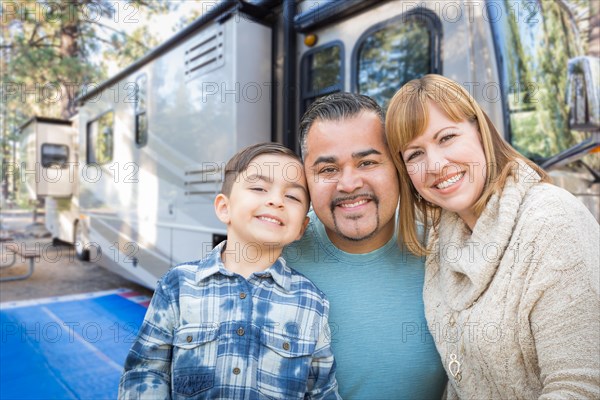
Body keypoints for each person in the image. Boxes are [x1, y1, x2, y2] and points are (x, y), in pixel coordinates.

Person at [385, 74, 600, 398]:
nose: (435, 164)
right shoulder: (441, 240)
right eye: (414, 154)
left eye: (446, 137)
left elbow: (581, 388)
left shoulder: (552, 222)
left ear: (480, 131)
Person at [119, 143, 340, 399]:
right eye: (259, 188)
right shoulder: (178, 285)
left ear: (302, 227)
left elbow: (322, 390)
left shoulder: (311, 302)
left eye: (292, 196)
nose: (276, 200)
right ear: (225, 208)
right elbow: (145, 371)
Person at [283, 93, 447, 399]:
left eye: (367, 162)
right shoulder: (275, 257)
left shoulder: (444, 247)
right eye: (328, 170)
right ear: (306, 178)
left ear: (398, 167)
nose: (349, 184)